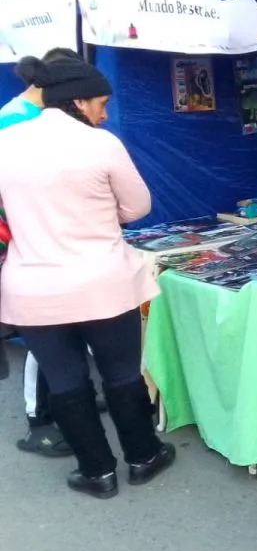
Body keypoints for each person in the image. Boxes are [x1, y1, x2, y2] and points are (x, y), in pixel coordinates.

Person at [0, 57, 174, 499]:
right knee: (121, 373)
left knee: (64, 380)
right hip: (102, 284)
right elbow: (137, 207)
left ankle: (97, 472)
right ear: (78, 101)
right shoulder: (101, 144)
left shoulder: (5, 142)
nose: (105, 114)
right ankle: (143, 456)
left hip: (33, 288)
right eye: (101, 103)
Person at [1, 48, 89, 458]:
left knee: (67, 331)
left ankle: (69, 401)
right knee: (44, 338)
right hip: (26, 247)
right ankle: (39, 421)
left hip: (51, 244)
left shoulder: (38, 116)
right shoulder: (15, 122)